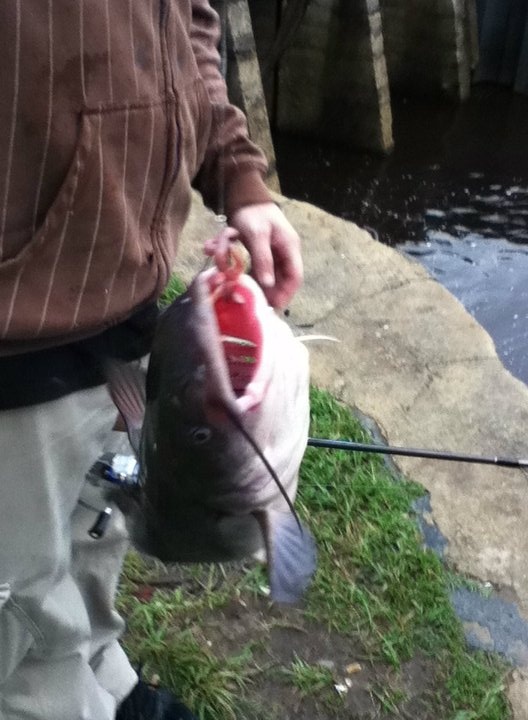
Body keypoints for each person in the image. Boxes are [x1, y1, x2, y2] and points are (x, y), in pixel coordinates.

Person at [0, 3, 302, 719]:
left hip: (126, 296)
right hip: (16, 327)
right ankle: (46, 700)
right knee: (16, 579)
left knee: (98, 520)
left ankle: (91, 662)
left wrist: (236, 173)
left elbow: (190, 23)